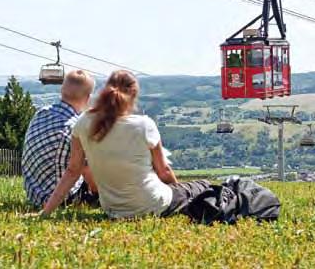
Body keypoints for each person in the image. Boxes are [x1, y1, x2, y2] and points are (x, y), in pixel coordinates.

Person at [43, 70, 210, 219]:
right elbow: (164, 171)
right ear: (133, 96)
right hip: (152, 203)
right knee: (202, 186)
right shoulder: (144, 125)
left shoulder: (83, 122)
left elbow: (73, 171)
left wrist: (46, 212)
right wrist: (177, 191)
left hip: (111, 209)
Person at [22, 70, 97, 207]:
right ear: (88, 98)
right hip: (61, 198)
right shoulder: (75, 127)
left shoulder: (41, 113)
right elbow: (86, 169)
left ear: (62, 90)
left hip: (34, 193)